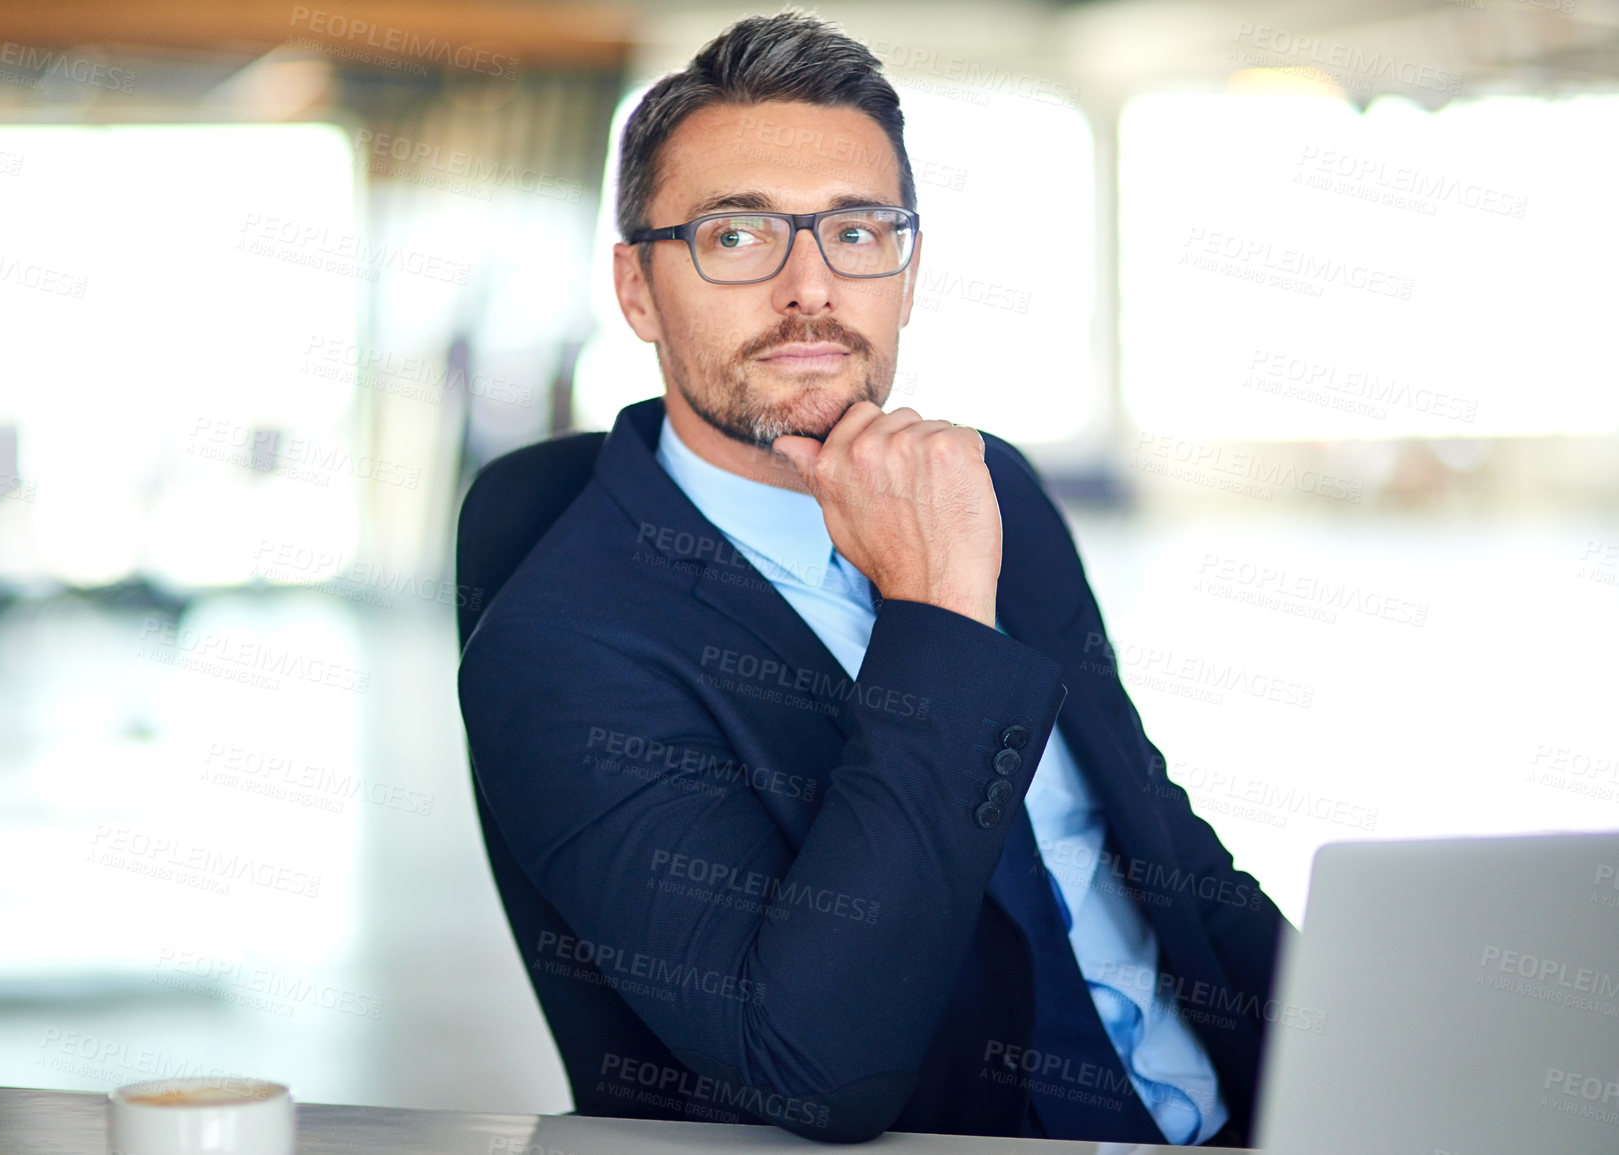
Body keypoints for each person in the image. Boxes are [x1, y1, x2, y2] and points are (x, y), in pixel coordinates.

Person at [458, 10, 1293, 1145]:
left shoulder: (989, 482)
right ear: (640, 291)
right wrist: (936, 610)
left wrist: (1356, 1039)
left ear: (905, 271)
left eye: (857, 231)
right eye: (737, 235)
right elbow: (815, 1067)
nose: (812, 287)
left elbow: (1147, 833)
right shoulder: (560, 650)